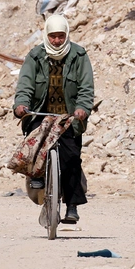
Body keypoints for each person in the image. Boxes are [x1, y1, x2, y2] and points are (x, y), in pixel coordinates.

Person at [13, 14, 94, 223]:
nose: (57, 40)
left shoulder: (79, 56)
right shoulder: (35, 56)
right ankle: (37, 177)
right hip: (42, 113)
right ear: (46, 35)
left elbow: (86, 88)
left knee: (72, 158)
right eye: (53, 36)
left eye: (60, 36)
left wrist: (82, 109)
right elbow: (25, 85)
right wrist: (21, 106)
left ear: (66, 34)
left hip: (68, 117)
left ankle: (72, 206)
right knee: (35, 146)